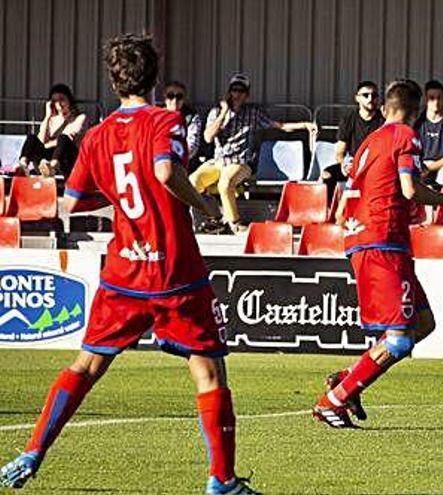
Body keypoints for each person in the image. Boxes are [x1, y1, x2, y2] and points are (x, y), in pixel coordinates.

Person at [0, 34, 260, 494]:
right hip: (175, 271)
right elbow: (164, 171)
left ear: (114, 81)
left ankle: (32, 452)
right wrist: (201, 203)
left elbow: (74, 200)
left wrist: (121, 195)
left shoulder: (97, 134)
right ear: (155, 77)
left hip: (123, 273)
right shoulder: (164, 120)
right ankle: (221, 481)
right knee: (208, 372)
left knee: (86, 366)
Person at [312, 79, 443, 428]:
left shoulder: (369, 141)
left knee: (423, 324)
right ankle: (333, 401)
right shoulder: (405, 135)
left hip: (372, 239)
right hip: (381, 241)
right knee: (399, 341)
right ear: (414, 114)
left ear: (385, 108)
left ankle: (347, 379)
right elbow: (409, 189)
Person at [190, 73, 316, 233]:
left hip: (240, 162)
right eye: (234, 90)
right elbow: (208, 137)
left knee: (225, 183)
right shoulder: (216, 113)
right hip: (218, 161)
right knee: (193, 182)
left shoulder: (253, 114)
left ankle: (235, 224)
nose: (237, 94)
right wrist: (224, 112)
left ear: (247, 95)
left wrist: (305, 125)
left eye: (241, 91)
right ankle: (215, 217)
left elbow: (280, 126)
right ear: (229, 92)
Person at [321, 80, 385, 199]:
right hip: (354, 163)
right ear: (357, 98)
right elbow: (340, 151)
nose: (370, 98)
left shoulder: (383, 120)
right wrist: (344, 164)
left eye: (374, 95)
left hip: (375, 165)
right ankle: (330, 210)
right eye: (366, 95)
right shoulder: (348, 119)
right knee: (327, 174)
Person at [17, 83, 88, 178]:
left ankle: (52, 167)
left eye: (62, 99)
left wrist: (48, 143)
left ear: (69, 100)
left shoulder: (80, 118)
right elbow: (40, 140)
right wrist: (47, 117)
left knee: (63, 138)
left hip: (67, 159)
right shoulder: (51, 120)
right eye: (55, 101)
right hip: (45, 160)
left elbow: (69, 138)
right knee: (32, 138)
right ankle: (23, 165)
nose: (59, 104)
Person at [162, 80, 204, 166]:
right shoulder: (157, 116)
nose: (175, 100)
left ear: (184, 99)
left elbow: (191, 148)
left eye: (179, 96)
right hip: (159, 161)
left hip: (182, 163)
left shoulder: (192, 117)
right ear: (165, 98)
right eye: (170, 96)